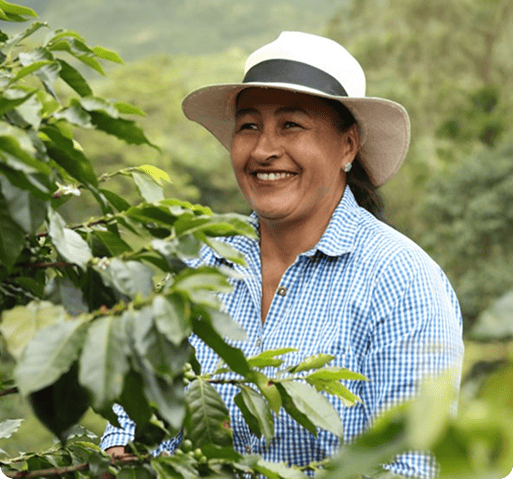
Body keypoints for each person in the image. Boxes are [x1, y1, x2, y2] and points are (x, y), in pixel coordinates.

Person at [100, 31, 464, 478]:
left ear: (347, 145)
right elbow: (133, 426)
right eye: (249, 126)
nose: (264, 150)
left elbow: (411, 465)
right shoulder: (199, 267)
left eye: (291, 125)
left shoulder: (401, 282)